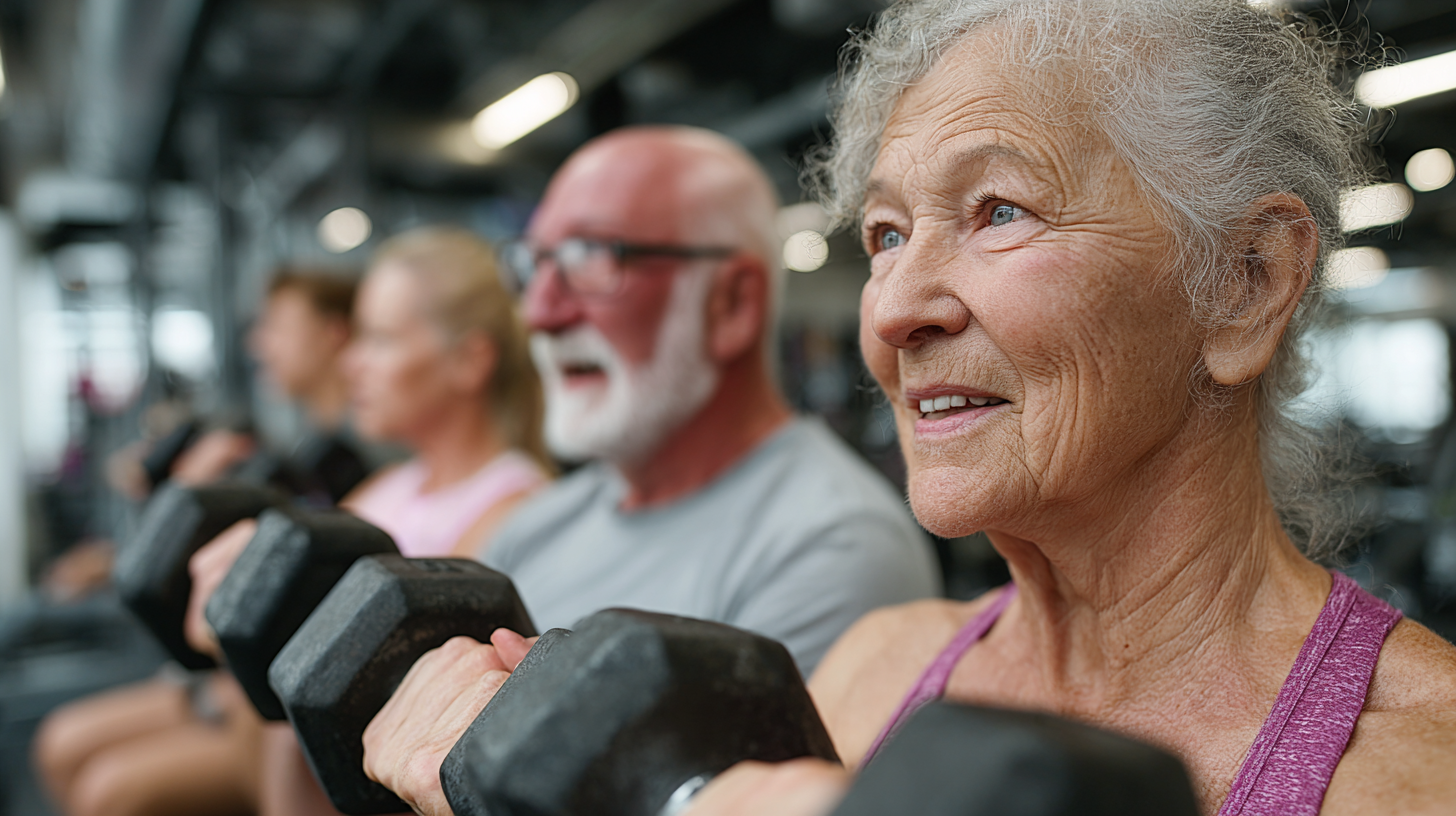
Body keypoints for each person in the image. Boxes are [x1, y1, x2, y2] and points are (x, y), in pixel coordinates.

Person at [363, 3, 1456, 815]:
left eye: (999, 210)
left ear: (1244, 283)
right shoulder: (871, 673)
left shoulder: (1421, 767)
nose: (892, 311)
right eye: (885, 235)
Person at [357, 125, 940, 815]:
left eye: (590, 259)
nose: (540, 312)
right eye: (535, 266)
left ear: (731, 305)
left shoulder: (831, 545)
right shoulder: (533, 526)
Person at [196, 227, 555, 816]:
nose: (352, 361)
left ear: (469, 360)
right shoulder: (385, 488)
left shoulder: (515, 506)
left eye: (380, 340)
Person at [32, 267, 361, 816]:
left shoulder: (351, 468)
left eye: (276, 326)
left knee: (111, 791)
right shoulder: (296, 453)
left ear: (332, 333)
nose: (259, 344)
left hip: (267, 691)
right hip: (235, 675)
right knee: (58, 742)